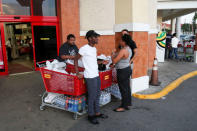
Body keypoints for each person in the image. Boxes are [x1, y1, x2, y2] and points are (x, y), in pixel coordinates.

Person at [74, 30, 108, 125]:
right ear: (89, 38)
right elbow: (75, 59)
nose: (97, 38)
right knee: (92, 96)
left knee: (97, 95)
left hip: (96, 75)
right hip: (89, 76)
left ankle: (97, 113)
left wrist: (101, 62)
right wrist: (77, 73)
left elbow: (92, 61)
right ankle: (91, 115)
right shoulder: (84, 49)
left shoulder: (94, 49)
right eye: (95, 37)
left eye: (97, 37)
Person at [111, 34, 137, 112]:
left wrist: (112, 54)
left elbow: (114, 61)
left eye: (121, 40)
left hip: (122, 71)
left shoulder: (123, 50)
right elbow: (120, 56)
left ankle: (123, 106)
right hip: (127, 69)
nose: (120, 42)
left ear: (124, 42)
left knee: (123, 89)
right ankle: (128, 103)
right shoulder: (128, 49)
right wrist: (116, 54)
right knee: (127, 88)